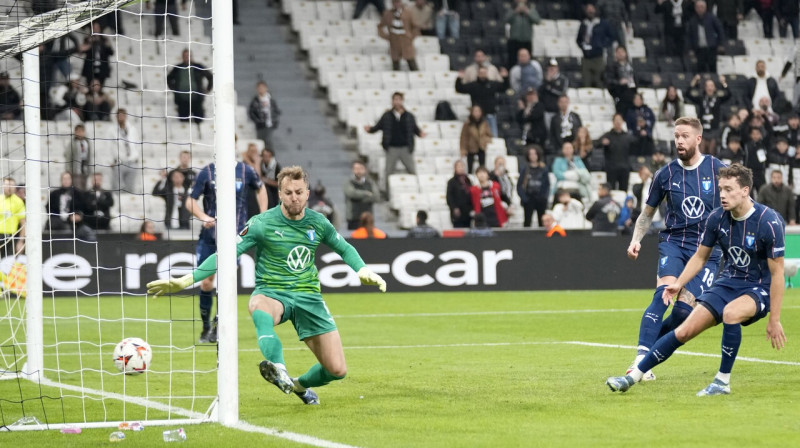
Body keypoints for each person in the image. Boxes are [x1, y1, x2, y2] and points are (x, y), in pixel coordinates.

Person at [147, 166, 388, 405]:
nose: (294, 197)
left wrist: (362, 269)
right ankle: (278, 367)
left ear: (307, 192)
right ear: (280, 194)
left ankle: (297, 385)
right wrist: (186, 280)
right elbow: (226, 254)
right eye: (288, 192)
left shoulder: (318, 222)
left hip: (308, 296)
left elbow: (344, 247)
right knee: (258, 306)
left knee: (337, 369)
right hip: (273, 292)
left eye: (299, 191)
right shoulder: (262, 223)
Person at [607, 164, 786, 396]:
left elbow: (778, 274)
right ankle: (631, 377)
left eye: (728, 189)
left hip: (758, 287)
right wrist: (679, 283)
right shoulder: (716, 218)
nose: (721, 194)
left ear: (745, 190)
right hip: (728, 282)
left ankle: (722, 382)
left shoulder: (768, 222)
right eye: (720, 189)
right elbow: (700, 258)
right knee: (683, 331)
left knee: (731, 313)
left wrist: (775, 319)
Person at [622, 116, 726, 381]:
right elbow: (647, 214)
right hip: (674, 245)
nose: (679, 140)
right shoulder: (665, 174)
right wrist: (636, 239)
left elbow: (740, 202)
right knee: (663, 296)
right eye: (676, 136)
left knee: (682, 312)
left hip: (707, 252)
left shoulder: (718, 169)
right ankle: (639, 362)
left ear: (698, 139)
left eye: (685, 136)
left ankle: (647, 357)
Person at [185, 161, 267, 344]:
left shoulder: (246, 170)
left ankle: (218, 326)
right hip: (210, 235)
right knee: (206, 282)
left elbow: (260, 189)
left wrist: (263, 214)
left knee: (226, 281)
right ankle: (206, 326)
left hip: (235, 238)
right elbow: (190, 201)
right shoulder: (207, 171)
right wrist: (203, 217)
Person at [364, 92, 426, 190]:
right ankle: (387, 193)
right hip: (392, 148)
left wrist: (420, 133)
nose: (397, 102)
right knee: (389, 171)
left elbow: (414, 129)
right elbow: (378, 127)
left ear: (402, 101)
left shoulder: (409, 116)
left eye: (398, 99)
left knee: (412, 170)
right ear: (392, 101)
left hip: (406, 148)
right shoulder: (386, 115)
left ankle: (415, 190)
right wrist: (370, 130)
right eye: (395, 99)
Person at [455, 67, 509, 138]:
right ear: (478, 74)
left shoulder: (492, 84)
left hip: (490, 115)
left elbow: (504, 88)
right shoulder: (473, 85)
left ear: (487, 73)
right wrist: (459, 79)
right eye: (481, 73)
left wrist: (505, 78)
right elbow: (460, 89)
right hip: (477, 117)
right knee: (476, 137)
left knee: (493, 137)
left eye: (484, 72)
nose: (483, 74)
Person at [167, 49, 213, 124]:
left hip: (196, 99)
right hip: (182, 101)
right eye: (185, 56)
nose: (187, 58)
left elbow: (210, 77)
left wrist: (207, 89)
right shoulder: (177, 68)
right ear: (182, 57)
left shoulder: (199, 67)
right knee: (183, 122)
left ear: (191, 56)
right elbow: (169, 78)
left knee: (199, 120)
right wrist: (174, 89)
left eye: (189, 56)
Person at [576, 3, 614, 88]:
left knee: (599, 81)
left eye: (591, 9)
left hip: (598, 57)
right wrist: (582, 46)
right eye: (588, 9)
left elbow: (611, 37)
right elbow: (578, 39)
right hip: (586, 57)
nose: (590, 11)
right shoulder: (583, 24)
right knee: (586, 82)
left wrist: (601, 45)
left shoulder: (603, 23)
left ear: (596, 10)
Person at [378, 0, 420, 71]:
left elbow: (415, 27)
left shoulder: (408, 13)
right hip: (394, 42)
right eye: (394, 2)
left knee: (411, 62)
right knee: (395, 64)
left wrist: (411, 36)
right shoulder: (388, 14)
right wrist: (386, 36)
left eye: (398, 2)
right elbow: (380, 26)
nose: (396, 4)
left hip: (406, 41)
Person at [686, 1, 726, 74]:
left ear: (705, 8)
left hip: (711, 48)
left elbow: (720, 30)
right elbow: (689, 36)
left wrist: (721, 44)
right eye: (698, 7)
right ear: (695, 8)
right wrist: (690, 49)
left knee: (713, 68)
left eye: (702, 7)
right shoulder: (692, 20)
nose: (700, 9)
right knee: (701, 70)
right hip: (699, 50)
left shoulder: (712, 18)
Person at [599, 114, 635, 191]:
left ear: (622, 122)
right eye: (616, 120)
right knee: (611, 190)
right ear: (613, 122)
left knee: (624, 190)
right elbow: (596, 143)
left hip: (624, 168)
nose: (618, 122)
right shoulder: (608, 135)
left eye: (619, 120)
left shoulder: (627, 136)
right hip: (611, 168)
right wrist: (602, 142)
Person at [517, 146, 550, 227]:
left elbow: (547, 184)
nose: (533, 156)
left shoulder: (543, 168)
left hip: (540, 198)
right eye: (530, 154)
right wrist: (524, 198)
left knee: (542, 222)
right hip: (529, 197)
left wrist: (543, 196)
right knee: (527, 222)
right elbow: (519, 185)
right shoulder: (525, 169)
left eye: (534, 154)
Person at [344, 160, 381, 231]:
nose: (358, 171)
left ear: (365, 170)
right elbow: (351, 194)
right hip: (353, 218)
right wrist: (367, 194)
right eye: (356, 169)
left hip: (368, 220)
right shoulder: (348, 183)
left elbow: (376, 197)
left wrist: (359, 197)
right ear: (353, 170)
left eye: (361, 169)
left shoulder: (370, 183)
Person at [504, 0, 541, 69]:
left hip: (526, 40)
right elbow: (506, 20)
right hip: (514, 40)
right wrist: (515, 12)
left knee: (527, 61)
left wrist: (527, 12)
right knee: (513, 61)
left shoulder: (531, 8)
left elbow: (537, 21)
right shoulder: (512, 8)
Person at [113, 108, 140, 193]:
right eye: (119, 115)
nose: (121, 117)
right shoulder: (112, 130)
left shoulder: (132, 129)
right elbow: (109, 146)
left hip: (132, 161)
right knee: (118, 188)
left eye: (123, 115)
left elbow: (137, 144)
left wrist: (136, 157)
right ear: (116, 117)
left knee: (130, 188)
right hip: (119, 162)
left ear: (126, 116)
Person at [460, 105, 493, 173]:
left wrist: (485, 140)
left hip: (481, 147)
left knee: (482, 165)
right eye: (475, 111)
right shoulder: (467, 124)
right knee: (470, 167)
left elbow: (489, 135)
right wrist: (463, 149)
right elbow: (464, 137)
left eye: (478, 111)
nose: (477, 113)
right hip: (471, 147)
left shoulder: (484, 123)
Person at [248, 81, 281, 150]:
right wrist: (257, 120)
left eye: (262, 88)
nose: (261, 89)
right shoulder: (255, 101)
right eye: (259, 88)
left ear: (266, 88)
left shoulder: (271, 100)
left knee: (268, 141)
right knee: (261, 141)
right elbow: (251, 112)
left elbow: (276, 111)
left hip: (269, 124)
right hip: (260, 125)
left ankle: (270, 157)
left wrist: (274, 121)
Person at [80, 22, 113, 86]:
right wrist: (89, 43)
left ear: (100, 29)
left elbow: (111, 53)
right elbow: (81, 51)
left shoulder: (104, 40)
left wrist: (107, 45)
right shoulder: (87, 39)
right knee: (89, 87)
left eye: (97, 28)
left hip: (102, 69)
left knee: (101, 87)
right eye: (94, 28)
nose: (96, 29)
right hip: (90, 69)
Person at [605, 46, 637, 115]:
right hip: (620, 92)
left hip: (632, 91)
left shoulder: (632, 66)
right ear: (615, 54)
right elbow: (608, 80)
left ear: (626, 53)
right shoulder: (611, 67)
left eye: (622, 52)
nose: (620, 54)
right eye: (618, 52)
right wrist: (619, 82)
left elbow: (637, 78)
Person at [539, 59, 569, 126]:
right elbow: (540, 93)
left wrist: (550, 85)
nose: (552, 69)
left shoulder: (562, 79)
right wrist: (547, 82)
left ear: (557, 68)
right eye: (550, 67)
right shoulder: (544, 79)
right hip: (546, 110)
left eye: (554, 67)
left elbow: (562, 93)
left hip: (557, 110)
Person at [0, 177, 25, 258]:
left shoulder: (18, 202)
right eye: (7, 185)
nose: (9, 187)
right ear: (3, 186)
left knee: (6, 263)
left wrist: (21, 241)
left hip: (9, 237)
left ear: (15, 187)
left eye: (11, 185)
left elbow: (23, 223)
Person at [64, 124, 93, 190]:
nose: (80, 133)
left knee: (85, 186)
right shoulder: (72, 143)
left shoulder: (87, 142)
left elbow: (89, 156)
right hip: (75, 169)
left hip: (85, 167)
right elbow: (68, 156)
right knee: (77, 187)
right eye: (78, 131)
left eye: (81, 131)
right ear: (75, 132)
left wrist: (89, 168)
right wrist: (68, 170)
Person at [446, 160, 472, 228]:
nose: (461, 168)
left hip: (467, 212)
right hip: (457, 212)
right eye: (459, 166)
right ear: (455, 168)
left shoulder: (468, 180)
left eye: (462, 166)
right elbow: (449, 197)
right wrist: (454, 208)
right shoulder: (451, 182)